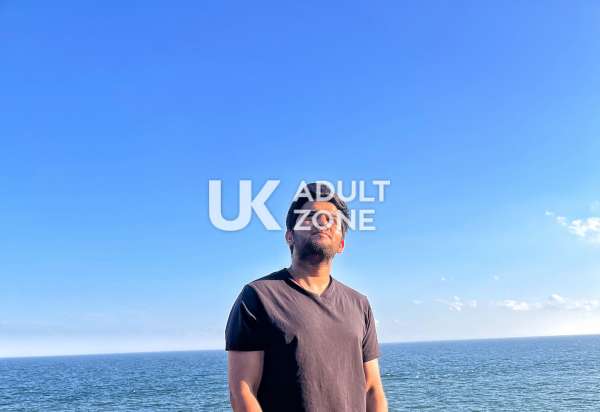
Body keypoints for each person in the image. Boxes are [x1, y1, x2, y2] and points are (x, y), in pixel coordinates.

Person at [225, 182, 387, 412]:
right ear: (289, 236)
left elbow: (372, 388)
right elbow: (243, 389)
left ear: (341, 244)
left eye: (332, 220)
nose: (322, 223)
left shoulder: (359, 304)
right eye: (310, 217)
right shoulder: (258, 296)